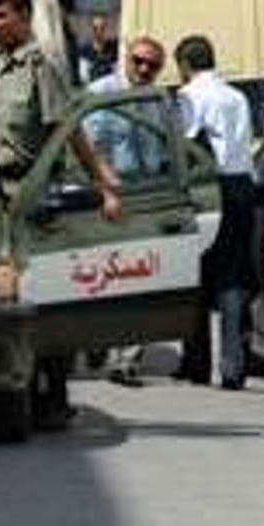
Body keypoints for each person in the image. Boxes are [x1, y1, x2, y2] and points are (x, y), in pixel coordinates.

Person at [0, 0, 122, 429]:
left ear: (23, 18)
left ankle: (52, 397)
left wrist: (105, 183)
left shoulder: (42, 67)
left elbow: (70, 131)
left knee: (44, 298)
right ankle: (15, 383)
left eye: (0, 16)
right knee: (6, 294)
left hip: (35, 195)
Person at [171, 34, 256, 390]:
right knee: (233, 275)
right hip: (241, 187)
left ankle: (197, 364)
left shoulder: (190, 96)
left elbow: (186, 141)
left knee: (196, 273)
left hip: (208, 189)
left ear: (186, 65)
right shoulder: (238, 96)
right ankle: (234, 368)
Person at [87, 36, 168, 387]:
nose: (144, 69)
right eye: (139, 61)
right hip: (110, 193)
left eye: (152, 64)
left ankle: (127, 360)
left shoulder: (156, 99)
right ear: (126, 58)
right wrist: (106, 191)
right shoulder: (103, 92)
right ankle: (98, 342)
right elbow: (90, 148)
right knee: (107, 278)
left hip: (146, 194)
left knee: (142, 279)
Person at [77, 14, 119, 84]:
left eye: (102, 28)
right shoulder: (85, 50)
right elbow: (84, 77)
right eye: (95, 28)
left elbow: (117, 70)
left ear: (105, 29)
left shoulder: (112, 48)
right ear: (91, 29)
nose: (98, 31)